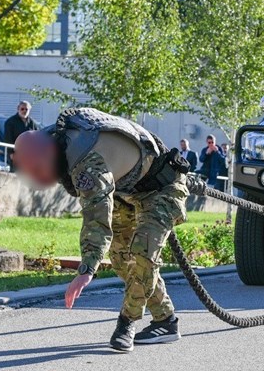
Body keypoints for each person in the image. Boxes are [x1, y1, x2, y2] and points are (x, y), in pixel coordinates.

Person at [12, 108, 189, 352]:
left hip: (163, 187)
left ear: (50, 154)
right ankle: (166, 320)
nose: (38, 179)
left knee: (143, 255)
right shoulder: (53, 137)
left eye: (39, 170)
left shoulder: (86, 161)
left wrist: (87, 268)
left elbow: (97, 217)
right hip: (127, 192)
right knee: (120, 259)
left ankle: (127, 323)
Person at [4, 101, 39, 171]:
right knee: (16, 176)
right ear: (18, 109)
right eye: (22, 109)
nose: (24, 111)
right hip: (16, 154)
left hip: (29, 156)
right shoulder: (10, 122)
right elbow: (8, 138)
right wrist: (11, 153)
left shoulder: (32, 123)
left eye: (26, 109)